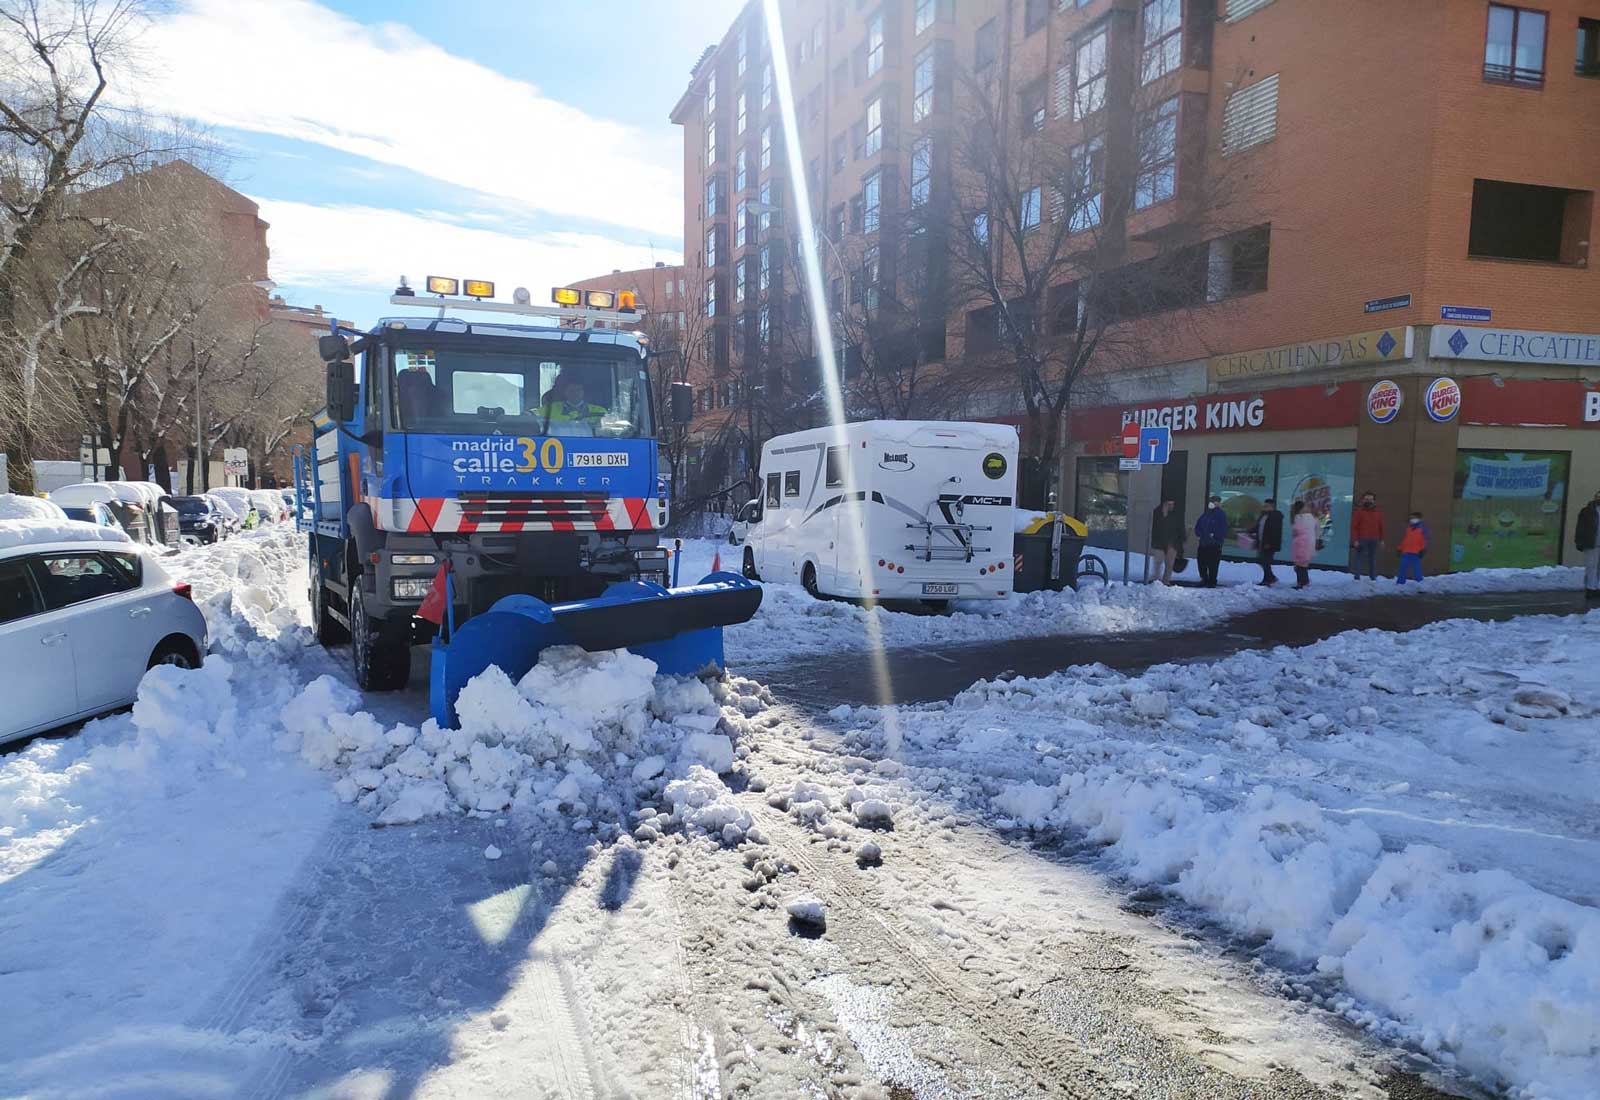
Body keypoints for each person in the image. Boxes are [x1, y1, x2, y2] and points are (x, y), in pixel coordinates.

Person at [540, 371, 607, 435]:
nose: (575, 393)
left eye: (578, 390)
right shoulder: (551, 409)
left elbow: (607, 428)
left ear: (584, 392)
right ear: (564, 392)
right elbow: (532, 415)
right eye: (571, 390)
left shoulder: (599, 411)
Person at [1350, 491, 1385, 580]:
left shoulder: (1378, 512)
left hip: (1374, 539)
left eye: (1370, 499)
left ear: (1374, 501)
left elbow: (1381, 526)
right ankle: (1357, 577)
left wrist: (1382, 540)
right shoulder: (1359, 512)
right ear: (1363, 500)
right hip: (1362, 539)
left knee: (1372, 559)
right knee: (1359, 558)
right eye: (1366, 499)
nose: (1368, 501)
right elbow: (1354, 527)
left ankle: (1373, 577)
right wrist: (1355, 540)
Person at [1149, 498, 1185, 584]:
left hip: (1172, 544)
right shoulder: (1157, 513)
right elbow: (1155, 527)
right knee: (1158, 562)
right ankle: (1155, 580)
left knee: (1169, 565)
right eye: (1169, 504)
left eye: (1172, 504)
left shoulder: (1175, 515)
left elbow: (1180, 528)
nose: (1171, 506)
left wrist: (1182, 540)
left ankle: (1166, 581)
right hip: (1160, 544)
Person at [1194, 494, 1227, 588]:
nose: (1212, 503)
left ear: (1218, 503)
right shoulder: (1206, 514)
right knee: (1202, 562)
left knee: (1213, 564)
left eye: (1214, 502)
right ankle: (1204, 579)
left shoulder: (1221, 514)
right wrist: (1199, 533)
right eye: (1211, 501)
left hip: (1214, 544)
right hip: (1203, 543)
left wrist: (1215, 536)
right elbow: (1198, 525)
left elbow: (1223, 529)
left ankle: (1212, 581)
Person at [1254, 498, 1284, 585]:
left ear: (1272, 506)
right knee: (1262, 561)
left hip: (1269, 544)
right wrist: (1249, 531)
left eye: (1266, 506)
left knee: (1265, 561)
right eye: (1264, 505)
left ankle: (1268, 579)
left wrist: (1269, 543)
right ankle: (1270, 578)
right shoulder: (1263, 515)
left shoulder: (1275, 516)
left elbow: (1274, 531)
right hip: (1261, 542)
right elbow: (1258, 527)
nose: (1264, 507)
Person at [1576, 488, 1599, 599]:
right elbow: (1580, 527)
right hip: (1592, 543)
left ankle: (1597, 587)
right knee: (1591, 566)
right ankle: (1591, 589)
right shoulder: (1587, 511)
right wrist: (1579, 541)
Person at [1290, 499, 1318, 589]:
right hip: (1309, 543)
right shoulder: (1312, 517)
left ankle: (1301, 583)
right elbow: (1317, 528)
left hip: (1301, 544)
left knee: (1299, 565)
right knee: (1304, 564)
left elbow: (1296, 531)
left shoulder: (1299, 518)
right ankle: (1304, 582)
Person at [1396, 510, 1429, 585]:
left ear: (1420, 519)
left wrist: (1423, 549)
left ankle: (1420, 583)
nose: (1412, 519)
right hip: (1406, 552)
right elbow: (1405, 539)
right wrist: (1400, 548)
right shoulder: (1409, 528)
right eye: (1411, 518)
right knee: (1402, 568)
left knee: (1416, 569)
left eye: (1414, 518)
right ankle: (1400, 583)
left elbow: (1425, 540)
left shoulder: (1423, 529)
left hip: (1416, 552)